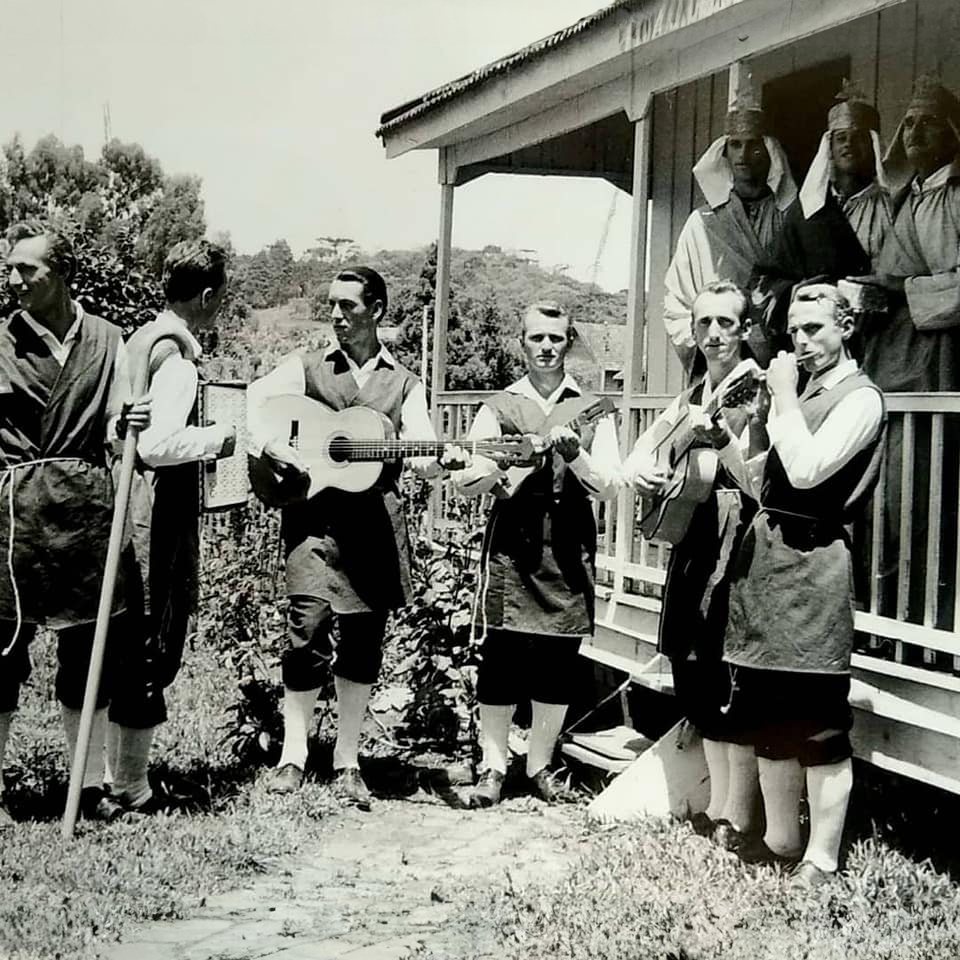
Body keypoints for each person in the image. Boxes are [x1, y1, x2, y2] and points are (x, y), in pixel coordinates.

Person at [247, 266, 457, 809]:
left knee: (363, 642)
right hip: (313, 519)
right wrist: (272, 446)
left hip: (373, 526)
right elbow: (256, 401)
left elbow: (421, 447)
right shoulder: (306, 366)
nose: (338, 316)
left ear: (377, 310)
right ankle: (293, 755)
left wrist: (440, 459)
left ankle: (346, 760)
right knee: (307, 627)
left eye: (350, 306)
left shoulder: (405, 383)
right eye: (332, 306)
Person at [721, 282, 886, 887]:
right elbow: (764, 481)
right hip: (770, 558)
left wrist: (785, 396)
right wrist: (732, 439)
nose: (801, 341)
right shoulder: (803, 394)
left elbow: (810, 469)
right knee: (767, 709)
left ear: (847, 327)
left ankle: (821, 858)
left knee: (817, 719)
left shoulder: (860, 397)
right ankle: (780, 840)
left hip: (816, 561)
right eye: (793, 331)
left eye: (814, 328)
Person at [0, 221, 150, 825]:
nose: (13, 280)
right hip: (13, 512)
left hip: (86, 510)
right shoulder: (1, 340)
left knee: (88, 656)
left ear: (61, 273)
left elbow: (115, 423)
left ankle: (86, 788)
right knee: (1, 652)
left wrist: (125, 421)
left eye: (25, 269)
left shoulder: (110, 340)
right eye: (10, 269)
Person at [451, 301, 620, 807]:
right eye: (536, 338)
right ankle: (493, 767)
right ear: (521, 343)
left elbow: (609, 486)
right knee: (501, 657)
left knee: (557, 658)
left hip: (568, 543)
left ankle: (540, 765)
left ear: (569, 343)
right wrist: (500, 467)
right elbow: (465, 481)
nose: (546, 347)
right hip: (512, 544)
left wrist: (575, 454)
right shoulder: (500, 406)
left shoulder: (589, 407)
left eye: (556, 338)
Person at [622, 281, 762, 844]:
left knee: (726, 669)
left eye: (726, 322)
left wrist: (724, 439)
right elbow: (643, 449)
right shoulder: (693, 394)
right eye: (704, 323)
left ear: (744, 329)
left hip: (736, 536)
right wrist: (642, 470)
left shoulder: (755, 389)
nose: (714, 334)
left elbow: (757, 478)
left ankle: (736, 811)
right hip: (693, 537)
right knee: (693, 667)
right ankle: (713, 802)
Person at [105, 239, 236, 813]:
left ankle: (114, 777)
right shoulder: (176, 359)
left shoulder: (136, 340)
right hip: (154, 513)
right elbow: (157, 445)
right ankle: (130, 786)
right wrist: (217, 439)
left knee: (125, 637)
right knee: (151, 636)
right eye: (220, 298)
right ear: (206, 297)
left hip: (120, 501)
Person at [855, 74, 960, 623]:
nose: (916, 133)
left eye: (929, 124)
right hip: (889, 360)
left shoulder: (957, 196)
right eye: (910, 124)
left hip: (938, 364)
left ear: (953, 134)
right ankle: (882, 614)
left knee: (927, 489)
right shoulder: (902, 198)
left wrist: (903, 289)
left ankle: (923, 619)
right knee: (885, 494)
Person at [749, 80, 893, 348]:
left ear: (873, 144)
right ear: (830, 148)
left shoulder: (892, 207)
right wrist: (800, 292)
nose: (849, 145)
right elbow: (765, 279)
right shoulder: (808, 211)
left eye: (859, 137)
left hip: (881, 339)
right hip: (821, 343)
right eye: (841, 138)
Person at [664, 89, 796, 375]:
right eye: (735, 145)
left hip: (778, 361)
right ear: (725, 152)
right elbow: (678, 302)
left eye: (753, 146)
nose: (743, 155)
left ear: (769, 151)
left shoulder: (789, 218)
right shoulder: (701, 223)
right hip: (718, 361)